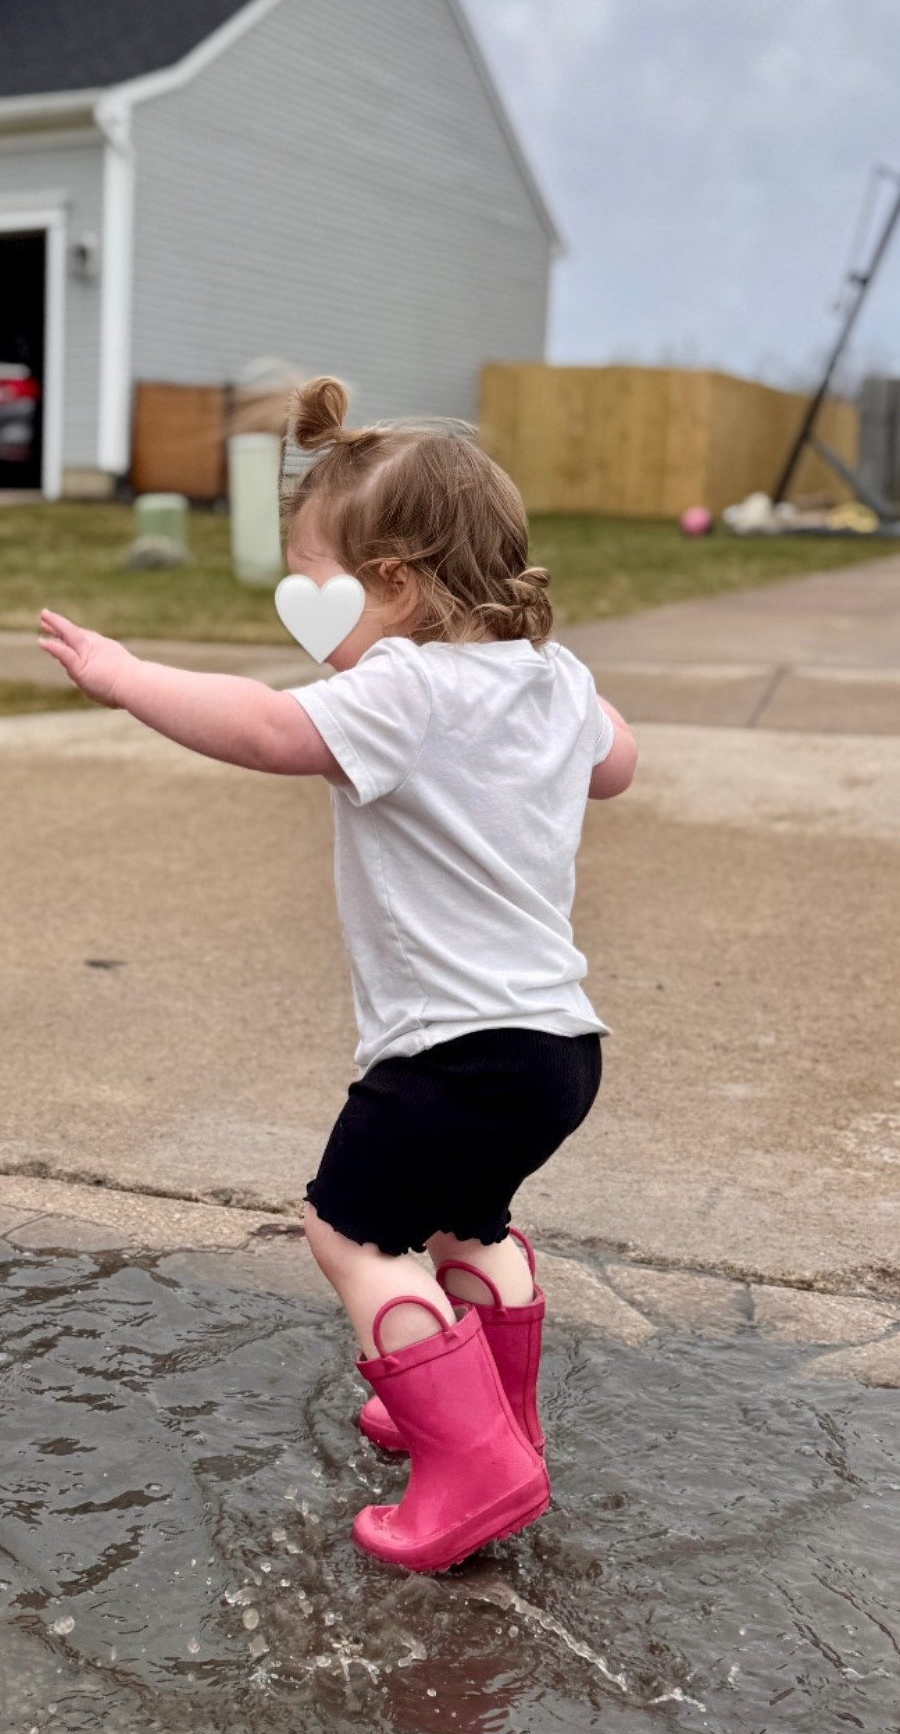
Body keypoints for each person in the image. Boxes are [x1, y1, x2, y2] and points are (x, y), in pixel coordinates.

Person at [39, 378, 636, 1573]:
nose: (308, 610)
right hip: (560, 1050)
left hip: (448, 1051)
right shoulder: (556, 678)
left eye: (319, 580)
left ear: (396, 582)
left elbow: (267, 726)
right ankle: (495, 1415)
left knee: (352, 1227)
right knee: (467, 1219)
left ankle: (474, 1461)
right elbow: (617, 764)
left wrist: (127, 677)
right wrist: (546, 704)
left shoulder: (402, 684)